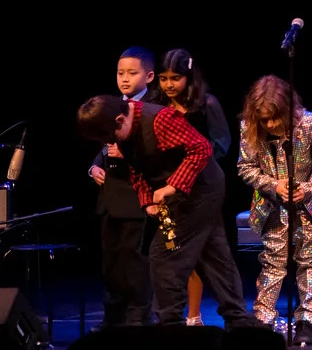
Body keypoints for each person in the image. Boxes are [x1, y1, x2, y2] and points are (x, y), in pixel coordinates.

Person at [75, 92, 256, 327]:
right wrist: (146, 199)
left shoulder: (160, 119)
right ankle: (238, 320)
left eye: (111, 136)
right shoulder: (124, 132)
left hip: (201, 190)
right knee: (214, 254)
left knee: (164, 255)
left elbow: (200, 148)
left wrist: (171, 186)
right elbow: (136, 167)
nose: (111, 142)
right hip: (181, 193)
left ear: (120, 120)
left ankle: (170, 325)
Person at [236, 74, 312, 343]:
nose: (270, 124)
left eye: (275, 118)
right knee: (272, 262)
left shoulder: (310, 123)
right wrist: (272, 184)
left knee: (309, 261)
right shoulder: (250, 128)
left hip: (308, 205)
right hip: (272, 207)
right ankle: (264, 317)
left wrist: (309, 186)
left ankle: (306, 319)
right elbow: (245, 168)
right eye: (264, 119)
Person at [154, 48, 232, 326]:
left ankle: (195, 315)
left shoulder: (206, 105)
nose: (169, 85)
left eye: (175, 78)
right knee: (174, 250)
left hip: (203, 187)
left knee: (202, 251)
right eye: (163, 78)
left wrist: (194, 162)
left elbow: (221, 143)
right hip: (169, 186)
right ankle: (179, 315)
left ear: (189, 77)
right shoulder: (157, 106)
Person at [87, 47, 158, 329]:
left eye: (132, 73)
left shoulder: (154, 107)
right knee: (112, 262)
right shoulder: (112, 104)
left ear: (149, 75)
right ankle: (113, 316)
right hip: (110, 197)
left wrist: (127, 155)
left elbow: (157, 152)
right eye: (120, 73)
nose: (125, 79)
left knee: (135, 261)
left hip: (136, 197)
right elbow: (103, 145)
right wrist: (94, 167)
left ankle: (138, 316)